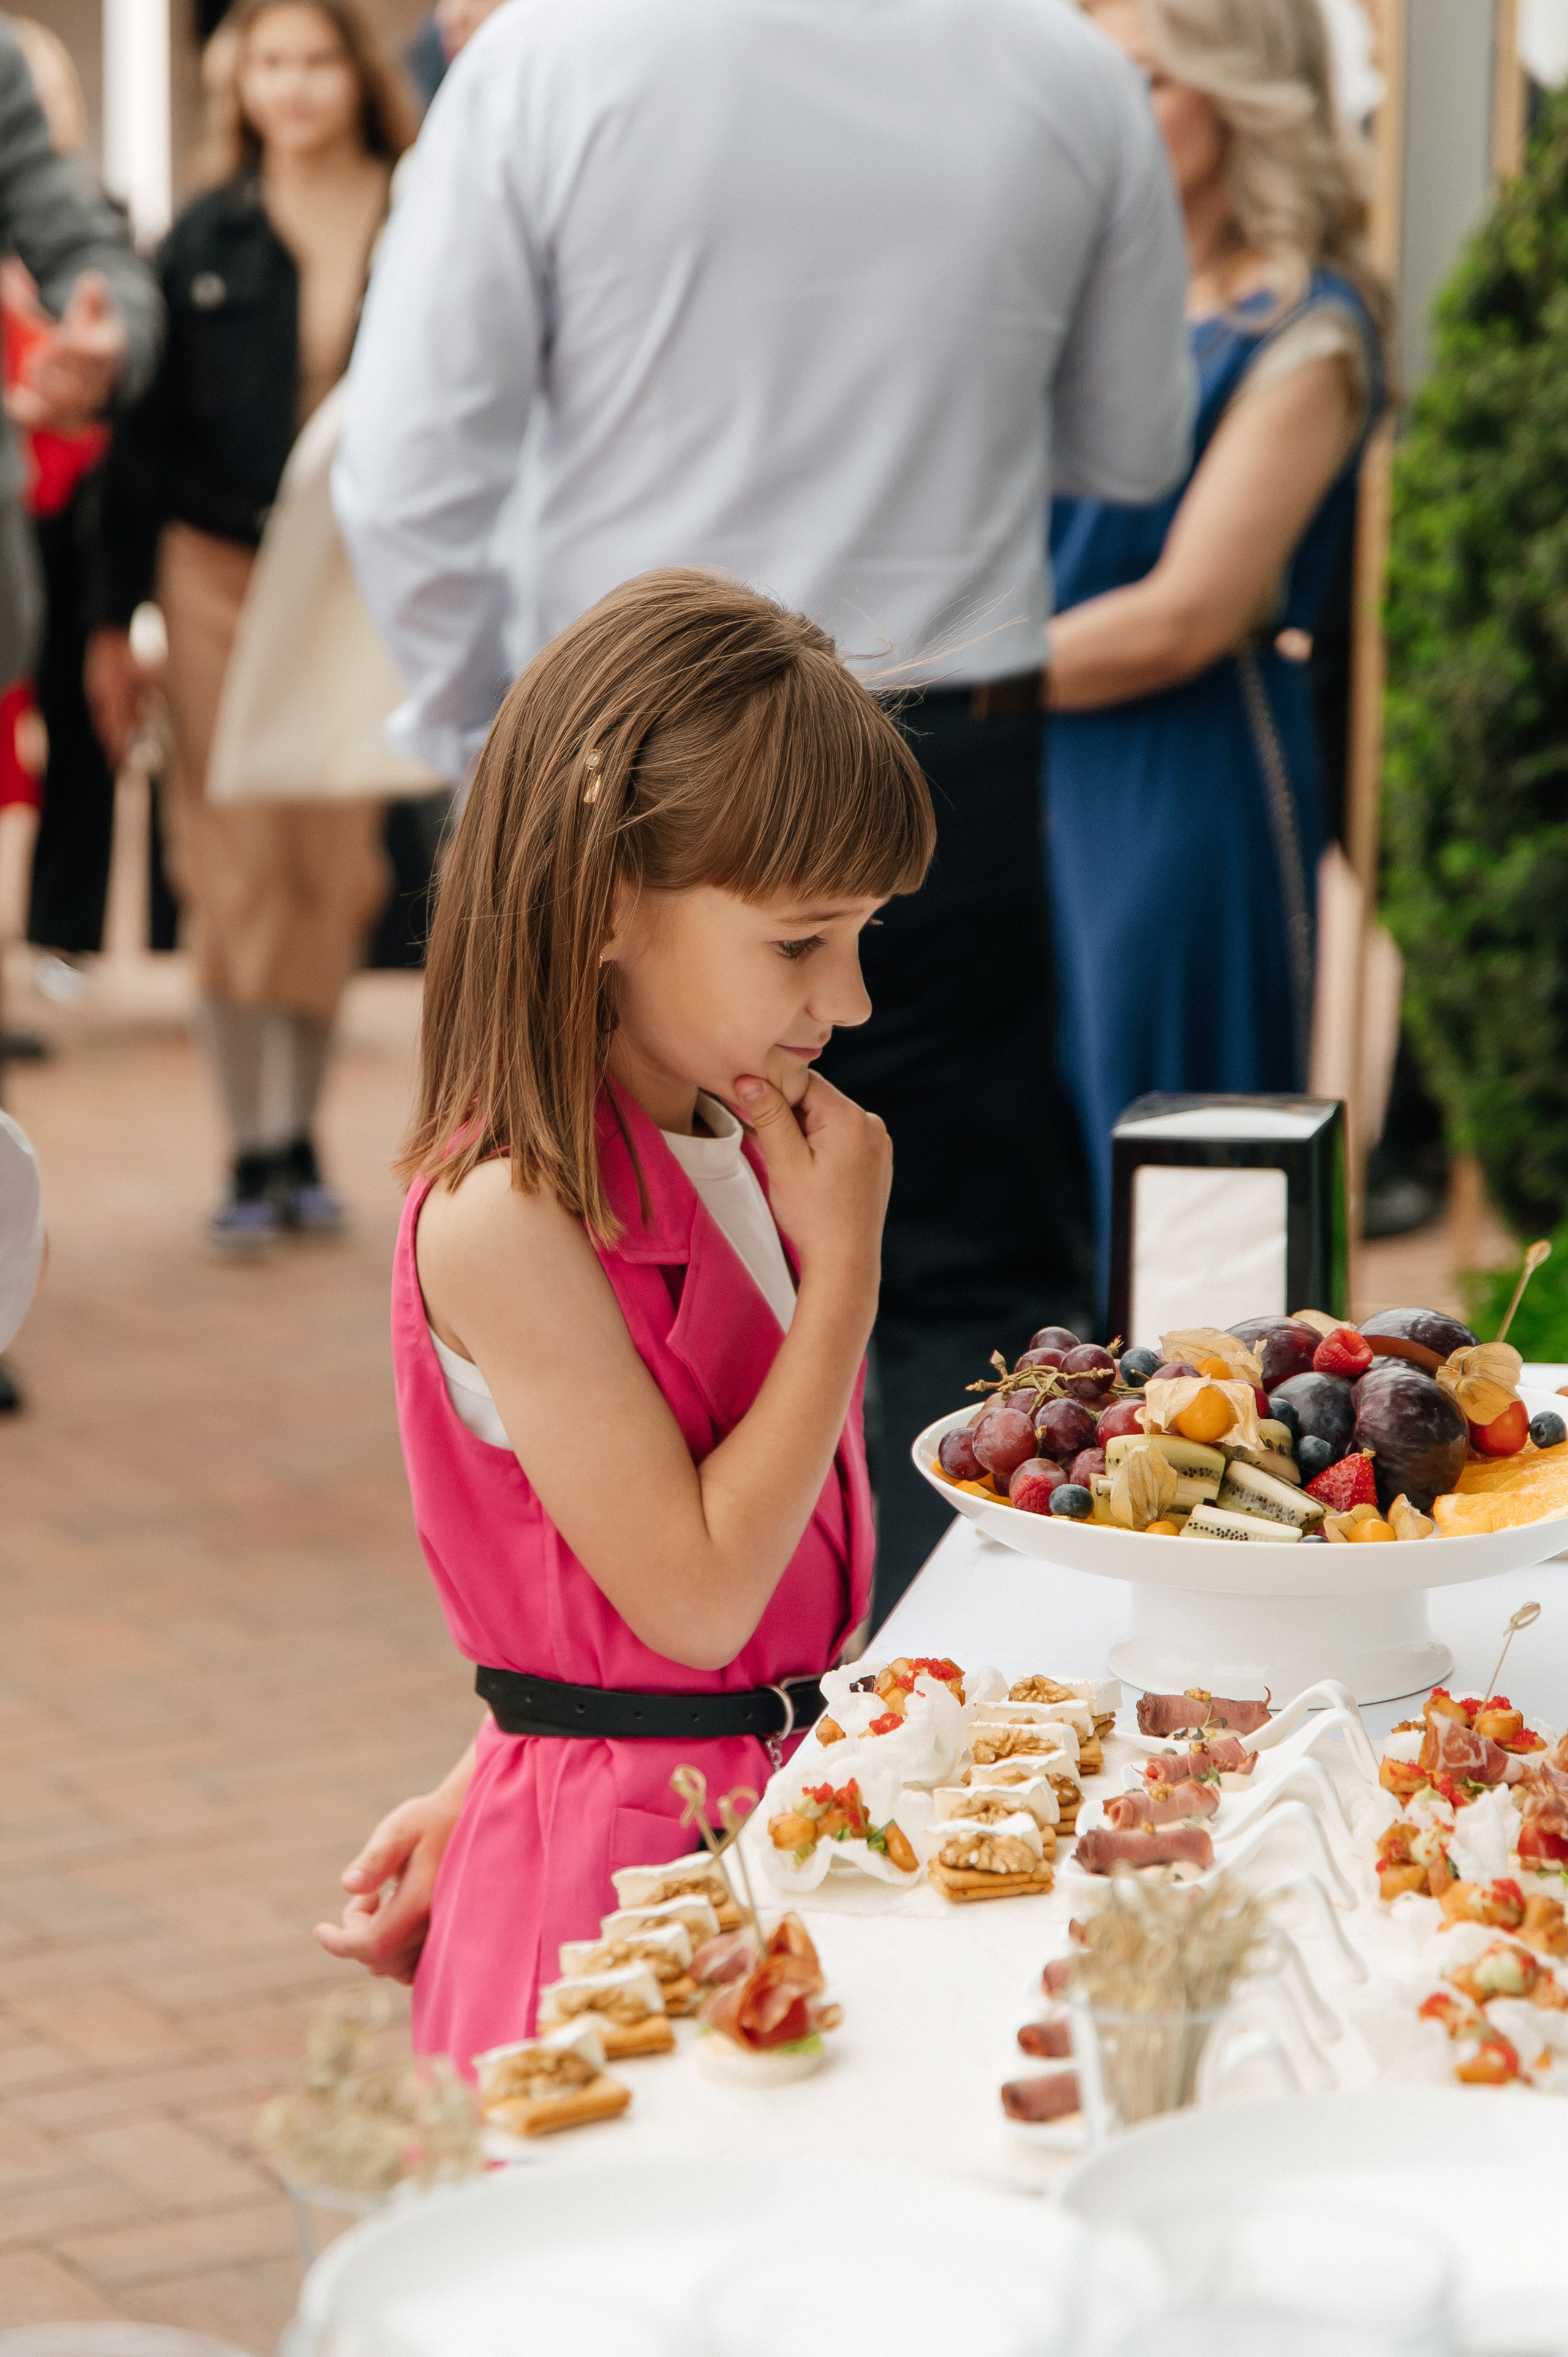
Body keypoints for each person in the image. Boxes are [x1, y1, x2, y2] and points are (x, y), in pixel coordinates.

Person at [334, 0, 1195, 1610]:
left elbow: (405, 465)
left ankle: (757, 1717)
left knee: (620, 1266)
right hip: (947, 752)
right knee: (974, 1292)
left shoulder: (548, 60)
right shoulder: (1070, 70)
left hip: (634, 782)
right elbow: (1133, 445)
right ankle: (962, 1737)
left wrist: (487, 747)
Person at [317, 570, 933, 2062]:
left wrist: (497, 1755)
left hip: (738, 1823)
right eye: (797, 944)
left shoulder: (723, 1137)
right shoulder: (508, 1217)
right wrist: (840, 1282)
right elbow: (699, 1596)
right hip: (611, 1896)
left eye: (858, 935)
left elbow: (580, 1588)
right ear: (604, 904)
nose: (846, 998)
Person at [1045, 0, 1391, 1267]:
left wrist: (937, 678)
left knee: (1183, 1202)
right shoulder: (1080, 296)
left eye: (1146, 83)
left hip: (1177, 782)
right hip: (1030, 774)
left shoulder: (1302, 327)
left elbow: (1187, 612)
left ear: (1238, 95)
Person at [85, 0, 417, 1251]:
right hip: (216, 570)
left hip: (359, 577)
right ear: (241, 81)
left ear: (355, 71)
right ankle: (249, 1142)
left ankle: (300, 1134)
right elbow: (142, 446)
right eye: (269, 61)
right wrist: (114, 621)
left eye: (315, 57)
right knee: (233, 859)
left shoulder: (421, 209)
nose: (293, 84)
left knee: (334, 860)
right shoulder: (204, 236)